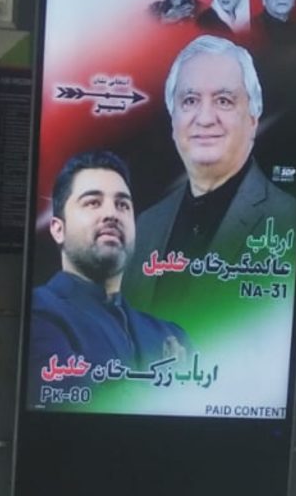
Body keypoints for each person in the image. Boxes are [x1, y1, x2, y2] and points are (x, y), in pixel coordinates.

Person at [125, 35, 296, 311]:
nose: (205, 118)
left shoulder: (289, 222)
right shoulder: (147, 226)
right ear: (173, 121)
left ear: (253, 119)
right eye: (190, 100)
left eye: (224, 101)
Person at [28, 150, 189, 392]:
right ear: (58, 229)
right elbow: (75, 401)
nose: (112, 214)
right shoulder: (36, 312)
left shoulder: (170, 335)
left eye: (122, 205)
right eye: (93, 202)